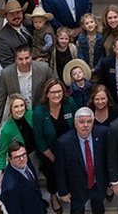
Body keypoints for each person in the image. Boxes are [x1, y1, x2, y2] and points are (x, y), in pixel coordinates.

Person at [33, 78, 77, 212]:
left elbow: (76, 125)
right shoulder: (39, 112)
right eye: (53, 92)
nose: (56, 95)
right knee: (52, 174)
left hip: (69, 151)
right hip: (49, 153)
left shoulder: (69, 103)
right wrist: (54, 159)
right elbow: (39, 139)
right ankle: (53, 195)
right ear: (47, 94)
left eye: (59, 91)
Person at [55, 107, 110, 214]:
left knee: (99, 208)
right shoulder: (63, 142)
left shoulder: (103, 134)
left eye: (89, 122)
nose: (86, 125)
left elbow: (109, 160)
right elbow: (59, 170)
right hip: (76, 187)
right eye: (81, 122)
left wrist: (110, 183)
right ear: (75, 124)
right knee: (77, 210)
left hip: (97, 184)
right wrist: (63, 192)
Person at [0, 45, 55, 131]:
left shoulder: (44, 68)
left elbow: (54, 88)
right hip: (20, 116)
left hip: (40, 113)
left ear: (31, 57)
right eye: (20, 59)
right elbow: (0, 98)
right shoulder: (6, 74)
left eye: (27, 58)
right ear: (15, 59)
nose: (24, 62)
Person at [0, 94, 36, 193]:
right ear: (11, 109)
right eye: (16, 106)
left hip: (37, 152)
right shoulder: (7, 130)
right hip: (24, 159)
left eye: (22, 105)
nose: (20, 109)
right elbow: (1, 154)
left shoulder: (31, 115)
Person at [0, 141, 45, 214]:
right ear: (10, 159)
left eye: (23, 154)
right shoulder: (9, 188)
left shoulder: (26, 161)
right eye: (17, 157)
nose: (21, 159)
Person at [0, 0, 32, 68]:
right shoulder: (1, 39)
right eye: (11, 14)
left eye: (18, 12)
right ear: (6, 16)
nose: (16, 16)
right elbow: (8, 65)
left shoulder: (28, 24)